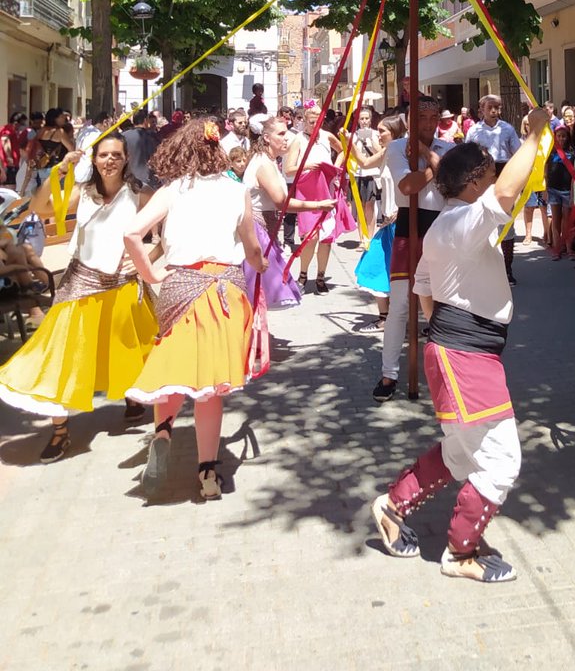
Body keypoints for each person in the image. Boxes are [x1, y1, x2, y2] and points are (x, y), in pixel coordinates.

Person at [371, 106, 550, 583]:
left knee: (459, 454)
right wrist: (533, 136)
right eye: (489, 176)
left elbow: (424, 289)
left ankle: (392, 506)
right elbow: (509, 191)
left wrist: (445, 334)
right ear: (475, 181)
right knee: (500, 460)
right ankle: (460, 552)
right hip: (464, 355)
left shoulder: (447, 226)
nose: (495, 185)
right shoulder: (466, 222)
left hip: (459, 350)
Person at [123, 118, 265, 501]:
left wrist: (149, 272)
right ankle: (207, 473)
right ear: (218, 150)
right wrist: (262, 263)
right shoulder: (237, 193)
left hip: (177, 287)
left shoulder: (172, 190)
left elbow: (131, 233)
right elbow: (252, 248)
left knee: (174, 366)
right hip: (223, 292)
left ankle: (164, 431)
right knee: (209, 388)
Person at [0, 138, 157, 462]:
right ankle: (59, 431)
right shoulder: (82, 192)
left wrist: (150, 255)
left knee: (130, 345)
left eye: (116, 155)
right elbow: (39, 208)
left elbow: (169, 226)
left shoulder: (139, 194)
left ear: (126, 159)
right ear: (95, 159)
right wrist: (60, 170)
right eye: (104, 155)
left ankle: (131, 394)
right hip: (81, 282)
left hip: (124, 285)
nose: (110, 160)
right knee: (62, 353)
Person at [373, 99, 454, 403]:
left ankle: (444, 370)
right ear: (410, 120)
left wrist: (429, 156)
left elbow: (455, 187)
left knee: (442, 304)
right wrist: (437, 169)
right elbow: (407, 187)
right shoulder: (397, 148)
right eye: (423, 117)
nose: (430, 123)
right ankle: (389, 373)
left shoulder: (448, 147)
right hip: (409, 229)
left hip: (441, 229)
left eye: (435, 117)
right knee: (399, 307)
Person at [246, 115, 336, 307]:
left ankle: (258, 335)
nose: (286, 138)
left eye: (286, 133)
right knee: (258, 291)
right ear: (267, 138)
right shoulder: (263, 163)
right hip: (256, 229)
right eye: (281, 133)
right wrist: (318, 205)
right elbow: (281, 202)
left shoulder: (270, 161)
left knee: (260, 292)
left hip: (265, 228)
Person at [283, 104, 353, 295]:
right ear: (304, 120)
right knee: (309, 236)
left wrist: (335, 168)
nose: (314, 125)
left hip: (326, 187)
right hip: (307, 189)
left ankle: (321, 276)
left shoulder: (326, 136)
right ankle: (303, 274)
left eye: (317, 121)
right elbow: (288, 168)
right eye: (310, 121)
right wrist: (307, 166)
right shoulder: (298, 140)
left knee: (326, 237)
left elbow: (343, 151)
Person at [350, 114, 408, 331]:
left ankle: (395, 319)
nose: (378, 134)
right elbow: (363, 162)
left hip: (399, 221)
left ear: (394, 133)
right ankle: (387, 318)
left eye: (382, 131)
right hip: (388, 222)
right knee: (375, 266)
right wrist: (345, 142)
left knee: (392, 270)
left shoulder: (404, 153)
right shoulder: (386, 153)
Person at [466, 95, 522, 285]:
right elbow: (467, 155)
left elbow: (518, 153)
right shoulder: (474, 130)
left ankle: (507, 268)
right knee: (480, 220)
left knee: (505, 223)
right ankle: (482, 267)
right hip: (481, 177)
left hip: (502, 175)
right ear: (481, 109)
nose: (494, 111)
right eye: (490, 107)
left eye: (497, 107)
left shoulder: (507, 129)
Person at [20, 107, 75, 191]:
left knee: (44, 194)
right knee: (56, 196)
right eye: (61, 116)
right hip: (55, 168)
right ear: (55, 118)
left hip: (41, 167)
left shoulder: (42, 130)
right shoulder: (60, 132)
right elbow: (72, 149)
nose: (64, 118)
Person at [353, 107, 383, 247]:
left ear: (370, 120)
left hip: (371, 173)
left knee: (370, 206)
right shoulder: (353, 136)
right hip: (357, 173)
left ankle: (369, 237)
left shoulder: (377, 134)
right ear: (358, 120)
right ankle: (361, 237)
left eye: (366, 118)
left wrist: (371, 140)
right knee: (360, 207)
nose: (364, 121)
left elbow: (381, 152)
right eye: (361, 118)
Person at [545, 123, 575, 260]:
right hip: (553, 189)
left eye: (564, 136)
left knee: (567, 220)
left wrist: (573, 190)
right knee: (555, 220)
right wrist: (545, 188)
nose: (561, 139)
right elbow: (546, 171)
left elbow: (574, 175)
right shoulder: (551, 153)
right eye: (559, 136)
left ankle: (568, 247)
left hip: (566, 191)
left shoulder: (572, 153)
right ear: (555, 137)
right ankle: (557, 248)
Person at [520, 111, 549, 246]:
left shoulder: (544, 139)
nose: (528, 127)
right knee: (529, 207)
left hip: (542, 179)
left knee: (544, 207)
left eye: (530, 124)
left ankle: (547, 233)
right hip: (527, 181)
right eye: (526, 124)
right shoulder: (520, 142)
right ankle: (528, 234)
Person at [122, 109, 161, 192]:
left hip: (128, 180)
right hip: (148, 180)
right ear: (145, 120)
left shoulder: (123, 136)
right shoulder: (153, 137)